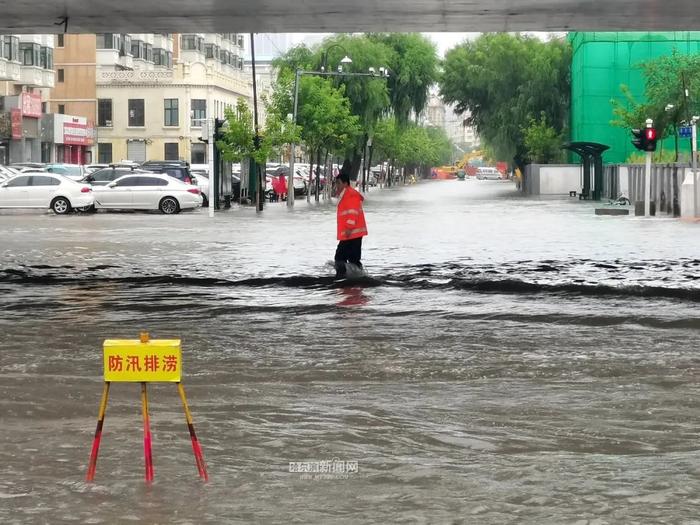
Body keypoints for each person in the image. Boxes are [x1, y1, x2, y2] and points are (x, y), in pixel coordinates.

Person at [334, 169, 367, 279]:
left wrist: (348, 228)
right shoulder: (345, 194)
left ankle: (342, 278)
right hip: (351, 234)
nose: (337, 185)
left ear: (345, 183)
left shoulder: (350, 194)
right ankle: (357, 278)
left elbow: (353, 213)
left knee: (340, 258)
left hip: (351, 233)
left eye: (338, 183)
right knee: (353, 259)